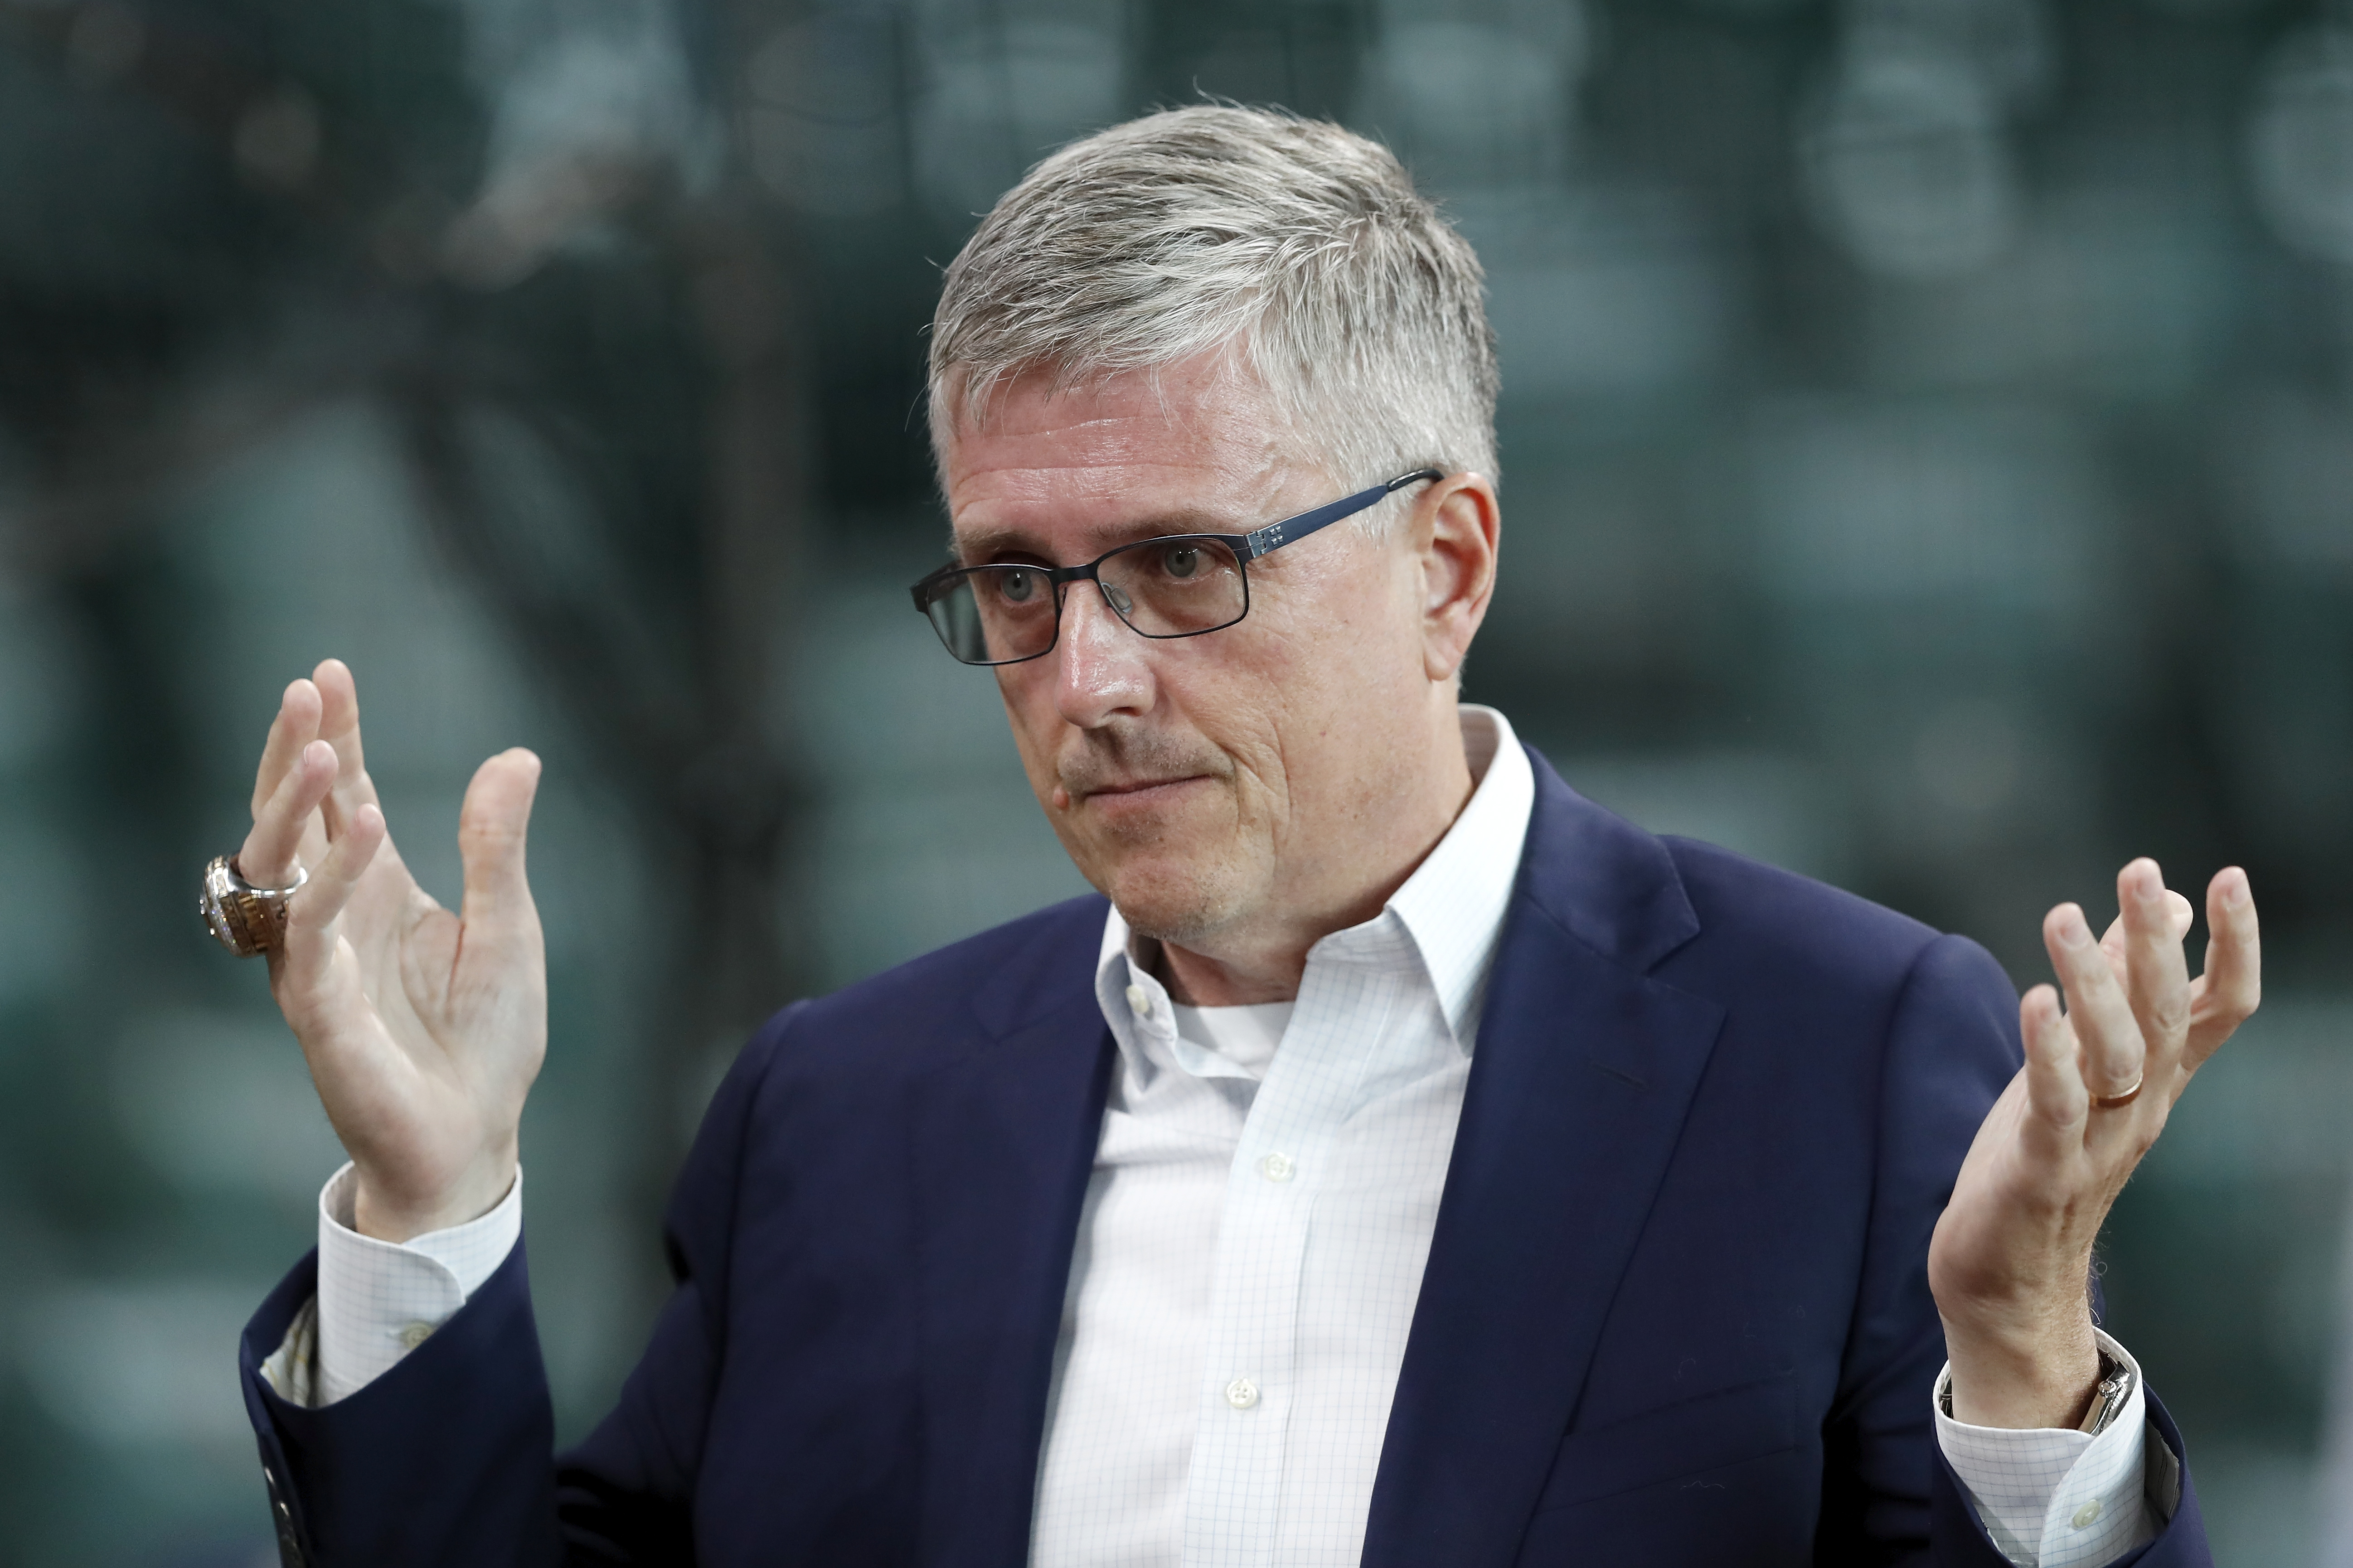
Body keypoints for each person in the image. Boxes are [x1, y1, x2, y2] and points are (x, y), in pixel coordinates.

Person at [216, 107, 2259, 1568]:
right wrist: (430, 1195)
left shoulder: (1841, 1042)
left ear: (1443, 558)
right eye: (1013, 585)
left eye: (1181, 563)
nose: (1083, 675)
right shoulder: (835, 1109)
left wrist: (2016, 1371)